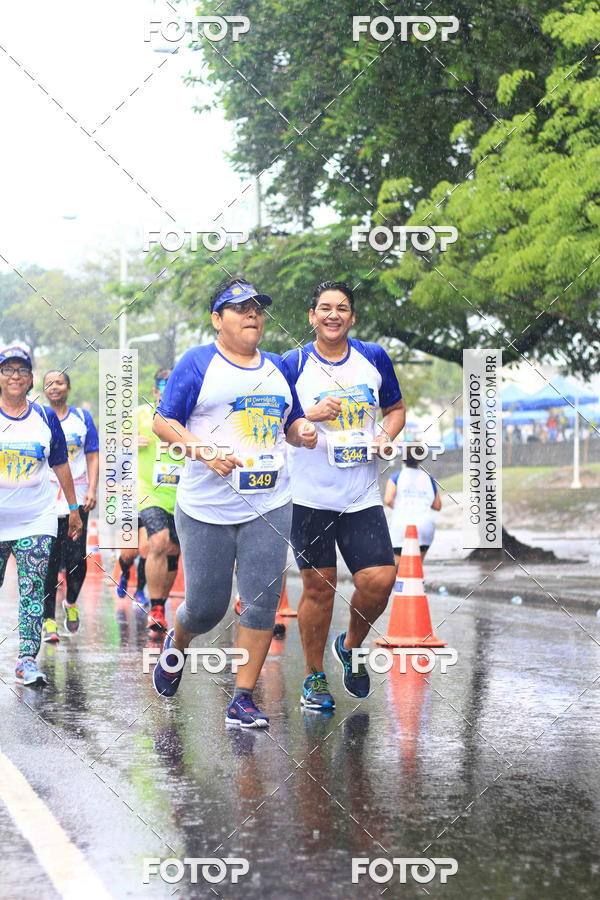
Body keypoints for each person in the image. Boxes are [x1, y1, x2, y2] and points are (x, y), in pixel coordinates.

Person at [151, 278, 317, 728]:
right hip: (207, 507)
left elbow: (292, 422)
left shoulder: (278, 367)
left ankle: (242, 697)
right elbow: (163, 422)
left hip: (271, 500)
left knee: (262, 601)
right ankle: (178, 639)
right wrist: (203, 451)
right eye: (239, 308)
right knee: (206, 606)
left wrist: (302, 431)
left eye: (257, 308)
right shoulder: (198, 363)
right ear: (216, 319)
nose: (252, 315)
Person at [282, 281, 405, 712]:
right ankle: (314, 678)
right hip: (309, 498)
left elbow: (395, 409)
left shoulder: (373, 358)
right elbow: (270, 420)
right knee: (320, 589)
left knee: (380, 580)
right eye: (325, 308)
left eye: (342, 308)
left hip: (362, 497)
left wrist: (386, 438)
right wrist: (307, 418)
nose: (333, 315)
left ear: (352, 317)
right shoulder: (291, 363)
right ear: (311, 316)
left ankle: (350, 645)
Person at [0, 347, 82, 685]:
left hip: (38, 518)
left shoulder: (45, 418)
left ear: (32, 378)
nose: (15, 375)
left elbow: (61, 463)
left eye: (22, 370)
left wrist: (74, 509)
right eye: (8, 370)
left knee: (33, 588)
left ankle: (26, 661)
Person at [41, 371, 99, 642]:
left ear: (69, 388)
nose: (55, 387)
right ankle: (48, 620)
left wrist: (92, 488)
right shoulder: (37, 417)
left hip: (77, 498)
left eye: (60, 383)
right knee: (49, 562)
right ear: (43, 389)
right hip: (46, 500)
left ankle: (71, 604)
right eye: (49, 383)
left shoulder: (81, 419)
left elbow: (92, 453)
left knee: (77, 560)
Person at [136, 368, 183, 632]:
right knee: (159, 542)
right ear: (155, 391)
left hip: (181, 493)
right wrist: (127, 440)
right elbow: (112, 443)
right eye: (162, 388)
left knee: (174, 551)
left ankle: (161, 604)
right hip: (149, 491)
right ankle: (154, 607)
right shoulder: (140, 415)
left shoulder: (188, 415)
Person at [383, 447, 442, 564]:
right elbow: (437, 505)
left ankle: (399, 582)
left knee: (398, 566)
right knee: (416, 566)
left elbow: (388, 499)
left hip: (401, 526)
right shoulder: (428, 478)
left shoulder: (396, 477)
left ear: (403, 459)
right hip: (424, 526)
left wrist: (402, 507)